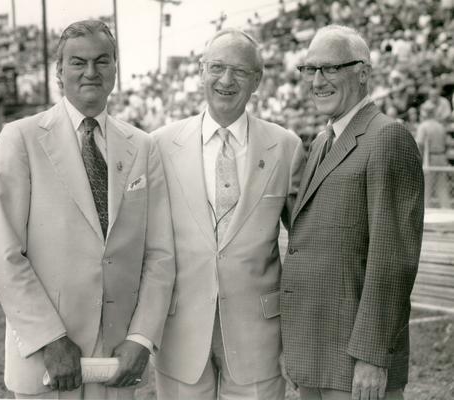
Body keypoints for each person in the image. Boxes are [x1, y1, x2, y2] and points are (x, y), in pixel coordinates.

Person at [0, 20, 175, 399]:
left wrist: (141, 337)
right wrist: (50, 339)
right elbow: (4, 254)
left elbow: (160, 255)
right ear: (59, 71)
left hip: (118, 363)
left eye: (102, 61)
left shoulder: (142, 146)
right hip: (47, 363)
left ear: (115, 68)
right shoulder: (20, 138)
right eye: (78, 62)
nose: (91, 72)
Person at [152, 28, 306, 400]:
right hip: (179, 331)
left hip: (259, 337)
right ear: (201, 72)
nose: (226, 80)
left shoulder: (286, 147)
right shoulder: (159, 144)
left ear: (257, 80)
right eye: (217, 68)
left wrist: (302, 332)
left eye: (239, 71)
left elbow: (306, 245)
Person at [280, 25, 424, 400]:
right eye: (309, 70)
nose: (317, 80)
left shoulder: (388, 137)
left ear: (363, 73)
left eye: (329, 68)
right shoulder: (322, 140)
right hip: (315, 353)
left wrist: (373, 358)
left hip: (356, 361)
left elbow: (392, 261)